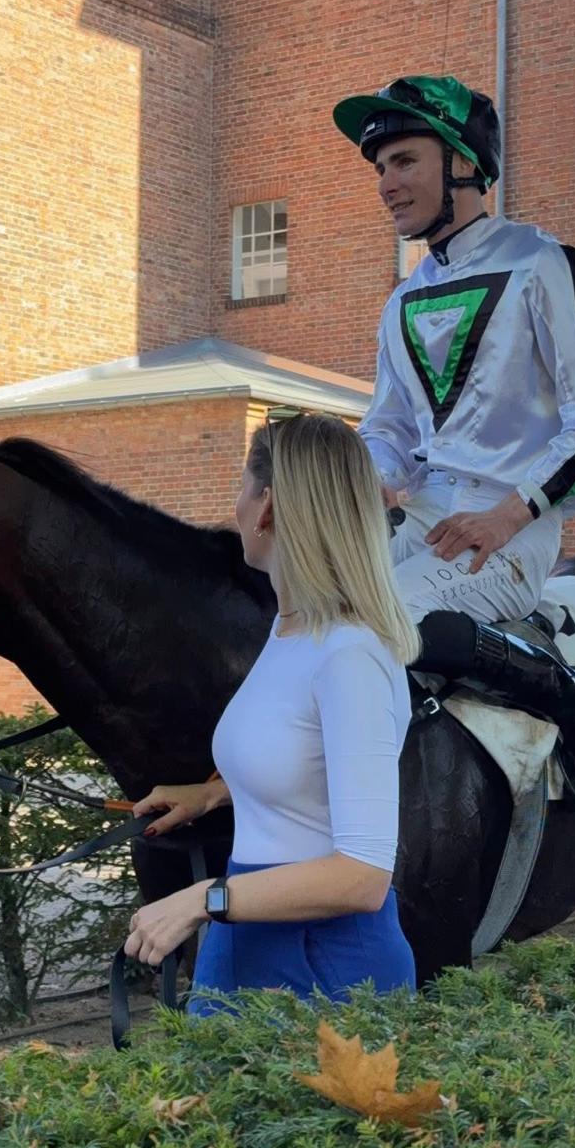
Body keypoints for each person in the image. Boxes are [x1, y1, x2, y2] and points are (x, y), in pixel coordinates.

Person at [331, 74, 575, 801]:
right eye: (380, 168)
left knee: (379, 623)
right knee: (299, 604)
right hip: (425, 512)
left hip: (513, 523)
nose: (386, 184)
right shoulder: (401, 299)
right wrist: (370, 480)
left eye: (404, 160)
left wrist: (506, 516)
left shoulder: (546, 264)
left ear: (463, 162)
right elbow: (389, 428)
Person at [124, 414, 420, 1004]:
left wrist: (203, 899)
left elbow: (363, 877)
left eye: (242, 487)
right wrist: (213, 794)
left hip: (326, 969)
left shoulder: (349, 655)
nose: (234, 506)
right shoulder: (292, 630)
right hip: (250, 939)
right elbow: (308, 760)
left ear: (268, 507)